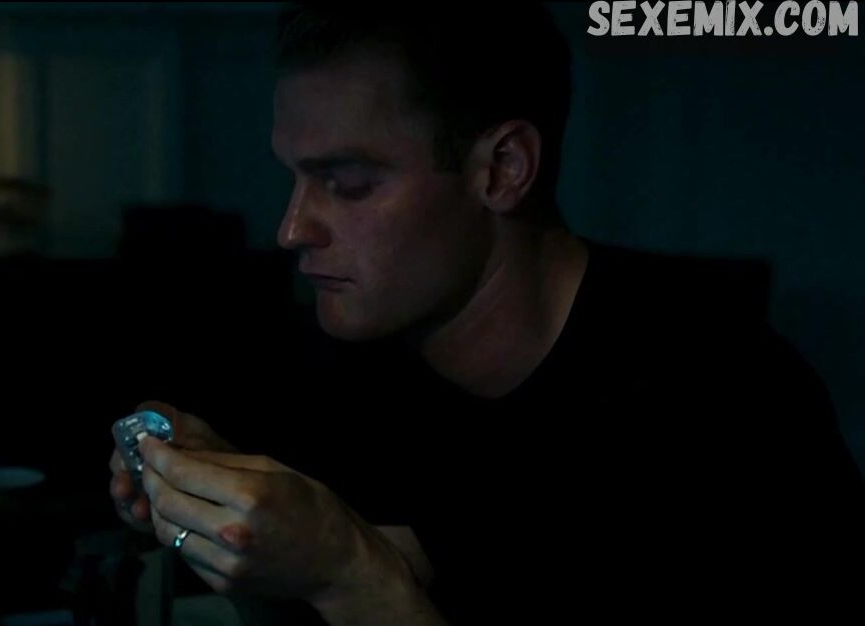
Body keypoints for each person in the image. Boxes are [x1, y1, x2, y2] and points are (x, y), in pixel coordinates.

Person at [108, 4, 865, 625]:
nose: (292, 228)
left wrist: (349, 571)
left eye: (347, 183)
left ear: (502, 169)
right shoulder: (347, 357)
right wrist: (212, 509)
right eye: (296, 179)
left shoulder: (730, 406)